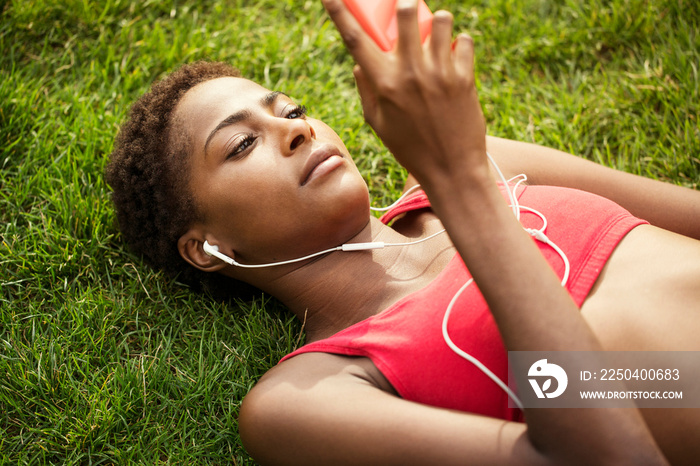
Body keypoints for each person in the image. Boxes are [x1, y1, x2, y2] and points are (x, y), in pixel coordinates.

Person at [106, 0, 700, 463]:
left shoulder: (485, 163)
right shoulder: (305, 397)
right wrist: (460, 182)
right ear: (209, 250)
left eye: (290, 111)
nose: (298, 131)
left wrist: (462, 174)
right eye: (240, 144)